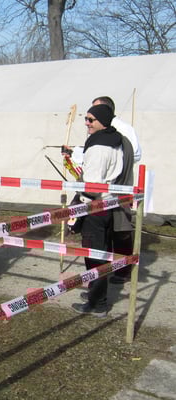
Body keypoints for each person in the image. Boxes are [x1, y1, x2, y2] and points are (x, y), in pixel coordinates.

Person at [68, 104, 134, 317]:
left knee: (94, 256)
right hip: (108, 205)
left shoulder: (99, 147)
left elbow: (93, 185)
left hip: (95, 208)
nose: (87, 123)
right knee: (101, 252)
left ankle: (98, 303)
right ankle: (95, 293)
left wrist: (77, 212)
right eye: (86, 119)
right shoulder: (115, 140)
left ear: (102, 121)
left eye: (91, 119)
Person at [91, 96, 140, 284]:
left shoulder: (124, 130)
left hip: (119, 185)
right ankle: (105, 267)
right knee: (104, 230)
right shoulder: (98, 129)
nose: (90, 118)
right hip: (102, 190)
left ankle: (122, 270)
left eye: (96, 110)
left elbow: (135, 153)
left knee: (121, 229)